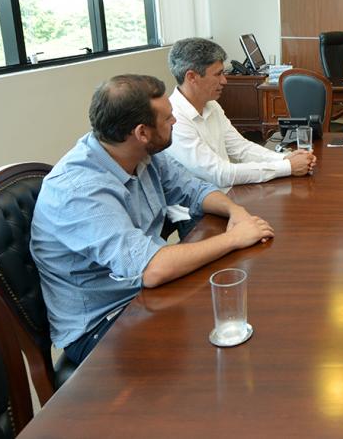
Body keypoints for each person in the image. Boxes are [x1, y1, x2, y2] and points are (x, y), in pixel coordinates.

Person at [31, 75, 275, 363]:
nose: (174, 122)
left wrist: (237, 213)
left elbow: (194, 189)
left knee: (249, 312)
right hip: (104, 323)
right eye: (169, 118)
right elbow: (153, 269)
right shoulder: (79, 191)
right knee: (218, 356)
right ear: (142, 132)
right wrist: (234, 238)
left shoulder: (141, 153)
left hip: (143, 296)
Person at [165, 37, 315, 188]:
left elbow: (241, 149)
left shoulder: (211, 105)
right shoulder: (174, 119)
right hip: (196, 210)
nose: (224, 81)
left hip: (226, 194)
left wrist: (285, 158)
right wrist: (288, 167)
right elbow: (219, 174)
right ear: (192, 77)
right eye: (218, 74)